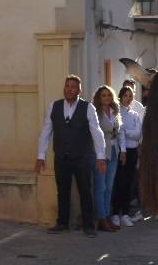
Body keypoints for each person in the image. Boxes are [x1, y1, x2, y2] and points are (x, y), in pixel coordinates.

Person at [36, 75, 107, 237]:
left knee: (85, 191)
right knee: (62, 190)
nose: (69, 89)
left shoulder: (88, 108)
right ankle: (62, 222)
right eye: (67, 86)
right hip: (61, 156)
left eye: (73, 87)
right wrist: (40, 155)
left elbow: (97, 133)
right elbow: (46, 131)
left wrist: (100, 157)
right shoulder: (54, 106)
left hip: (82, 156)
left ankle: (89, 226)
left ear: (79, 90)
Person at [92, 84, 124, 233]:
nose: (106, 98)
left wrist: (122, 150)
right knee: (100, 187)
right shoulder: (95, 113)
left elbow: (120, 132)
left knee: (109, 187)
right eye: (103, 95)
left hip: (113, 150)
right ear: (99, 98)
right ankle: (101, 218)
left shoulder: (115, 111)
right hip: (101, 152)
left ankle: (107, 216)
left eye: (109, 95)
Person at [112, 85, 143, 227]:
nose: (128, 98)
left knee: (130, 183)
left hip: (133, 152)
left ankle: (125, 213)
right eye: (125, 95)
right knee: (120, 183)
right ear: (120, 96)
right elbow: (120, 133)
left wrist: (128, 131)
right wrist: (129, 133)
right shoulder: (117, 112)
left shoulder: (135, 115)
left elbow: (138, 134)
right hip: (121, 152)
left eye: (130, 96)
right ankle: (115, 213)